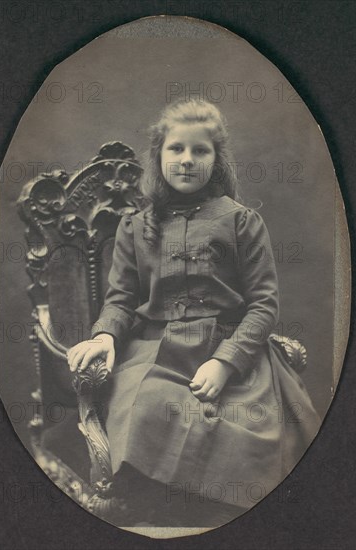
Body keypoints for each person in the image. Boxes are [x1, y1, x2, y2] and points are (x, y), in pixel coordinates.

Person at [67, 99, 321, 527]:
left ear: (216, 159)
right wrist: (106, 336)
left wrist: (225, 363)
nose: (187, 160)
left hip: (232, 350)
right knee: (146, 406)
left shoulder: (242, 222)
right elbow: (122, 299)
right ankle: (159, 510)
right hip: (156, 351)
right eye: (176, 149)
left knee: (252, 426)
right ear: (159, 155)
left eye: (200, 151)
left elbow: (263, 305)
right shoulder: (135, 226)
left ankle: (224, 516)